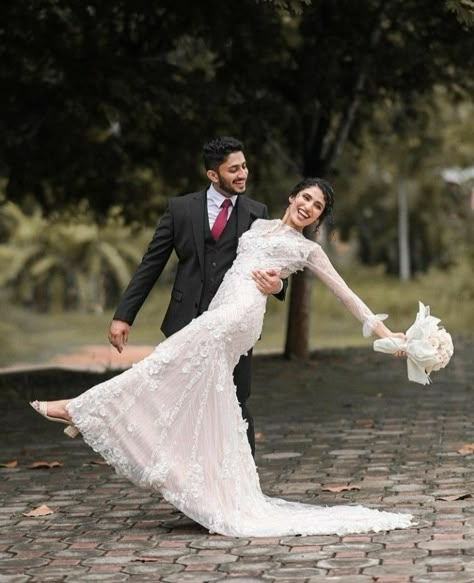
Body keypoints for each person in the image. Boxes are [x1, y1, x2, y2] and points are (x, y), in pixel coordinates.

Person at [31, 177, 413, 536]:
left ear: (318, 217)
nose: (309, 206)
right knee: (197, 394)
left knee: (162, 363)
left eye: (318, 206)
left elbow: (345, 294)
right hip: (218, 309)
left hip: (239, 316)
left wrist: (384, 332)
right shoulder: (257, 224)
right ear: (292, 197)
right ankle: (208, 491)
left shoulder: (308, 249)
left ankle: (81, 409)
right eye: (306, 198)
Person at [108, 136, 286, 455]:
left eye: (244, 166)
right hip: (185, 322)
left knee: (237, 401)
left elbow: (273, 268)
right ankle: (190, 488)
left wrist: (278, 287)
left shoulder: (257, 213)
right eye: (233, 169)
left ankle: (243, 491)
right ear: (213, 175)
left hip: (235, 323)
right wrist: (124, 315)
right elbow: (152, 263)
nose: (243, 173)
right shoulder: (179, 210)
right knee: (185, 407)